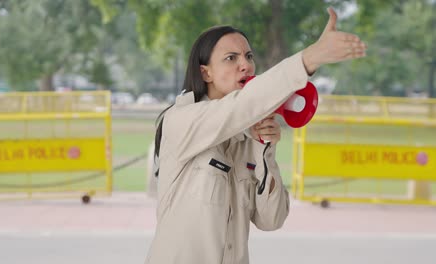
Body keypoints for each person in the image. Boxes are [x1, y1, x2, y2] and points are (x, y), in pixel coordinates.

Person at [145, 7, 367, 264]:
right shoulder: (181, 121)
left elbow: (272, 220)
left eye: (248, 56)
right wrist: (309, 58)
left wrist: (266, 151)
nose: (245, 65)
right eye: (231, 58)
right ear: (206, 72)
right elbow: (241, 105)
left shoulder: (247, 136)